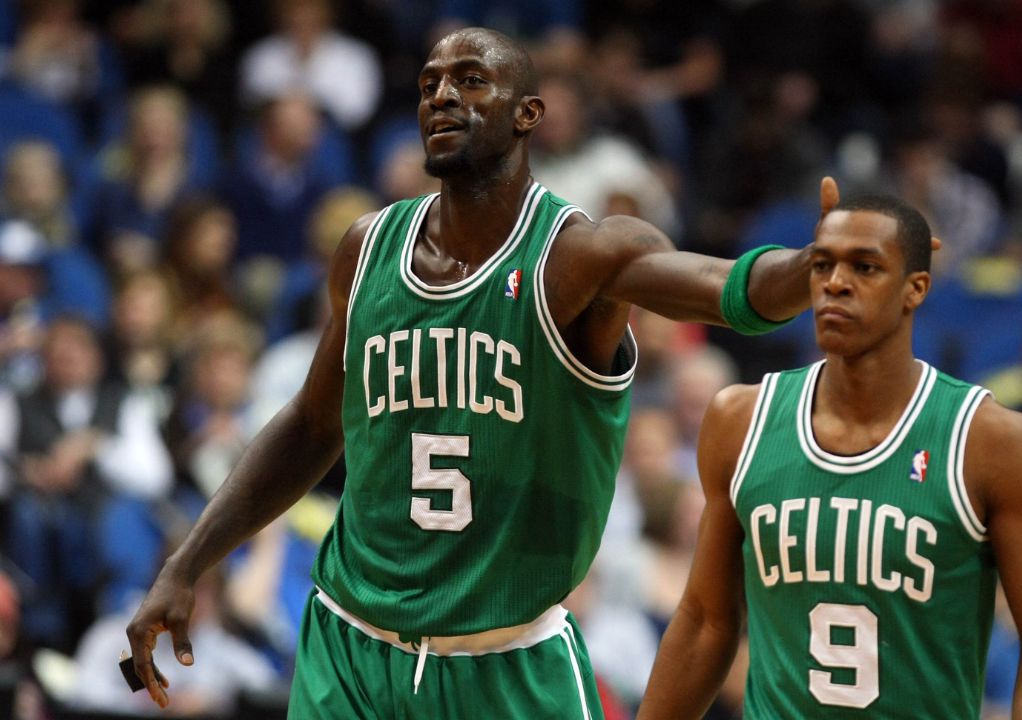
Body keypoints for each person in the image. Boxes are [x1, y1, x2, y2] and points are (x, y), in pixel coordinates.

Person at [125, 27, 828, 717]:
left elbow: (732, 290)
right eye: (429, 84)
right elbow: (312, 425)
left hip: (506, 661)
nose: (442, 97)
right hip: (350, 648)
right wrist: (186, 563)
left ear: (529, 114)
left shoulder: (578, 255)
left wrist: (811, 266)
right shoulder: (368, 248)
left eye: (470, 80)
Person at [637, 191, 1022, 719]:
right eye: (822, 265)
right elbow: (707, 621)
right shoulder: (740, 420)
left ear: (915, 289)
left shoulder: (990, 441)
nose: (835, 283)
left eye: (865, 267)